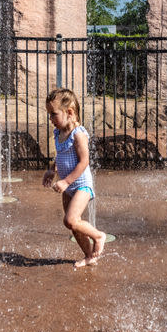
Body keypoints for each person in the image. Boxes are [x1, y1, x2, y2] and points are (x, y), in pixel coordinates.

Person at [42, 88, 107, 267]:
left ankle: (99, 236)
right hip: (69, 186)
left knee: (70, 220)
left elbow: (84, 161)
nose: (50, 119)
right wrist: (51, 170)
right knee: (73, 225)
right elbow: (60, 155)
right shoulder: (59, 133)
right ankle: (89, 256)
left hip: (81, 185)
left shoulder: (78, 134)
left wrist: (66, 181)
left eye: (53, 114)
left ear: (69, 112)